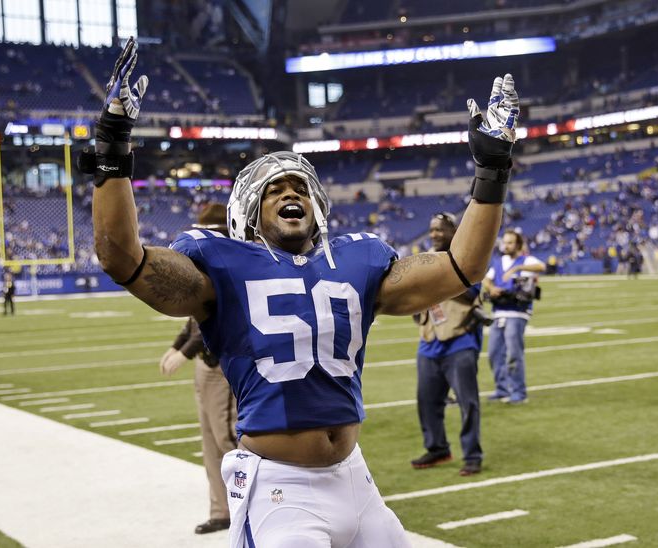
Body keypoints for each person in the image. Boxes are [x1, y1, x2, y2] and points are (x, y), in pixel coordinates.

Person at [86, 38, 518, 548]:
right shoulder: (221, 262)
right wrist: (114, 145)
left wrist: (491, 171)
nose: (290, 192)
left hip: (355, 478)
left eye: (299, 186)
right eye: (275, 188)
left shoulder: (357, 258)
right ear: (249, 208)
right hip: (279, 489)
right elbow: (121, 256)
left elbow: (462, 266)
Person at [158, 203, 238, 535]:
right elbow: (193, 321)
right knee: (209, 442)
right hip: (205, 367)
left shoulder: (229, 268)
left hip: (223, 364)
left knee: (228, 438)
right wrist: (177, 345)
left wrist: (184, 353)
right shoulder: (207, 265)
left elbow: (212, 321)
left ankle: (255, 503)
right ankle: (221, 511)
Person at [411, 212, 485, 477]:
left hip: (460, 339)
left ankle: (472, 454)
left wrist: (443, 270)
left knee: (468, 402)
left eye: (440, 230)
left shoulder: (468, 258)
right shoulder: (424, 259)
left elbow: (472, 293)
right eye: (431, 230)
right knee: (427, 401)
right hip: (429, 340)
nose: (434, 234)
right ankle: (438, 447)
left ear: (454, 231)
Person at [483, 230, 544, 404]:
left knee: (513, 354)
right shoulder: (498, 261)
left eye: (510, 242)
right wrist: (492, 289)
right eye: (505, 242)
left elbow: (541, 267)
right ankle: (502, 389)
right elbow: (486, 280)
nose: (506, 245)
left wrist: (518, 268)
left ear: (518, 245)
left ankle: (518, 392)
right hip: (499, 312)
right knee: (494, 353)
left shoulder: (527, 260)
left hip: (517, 313)